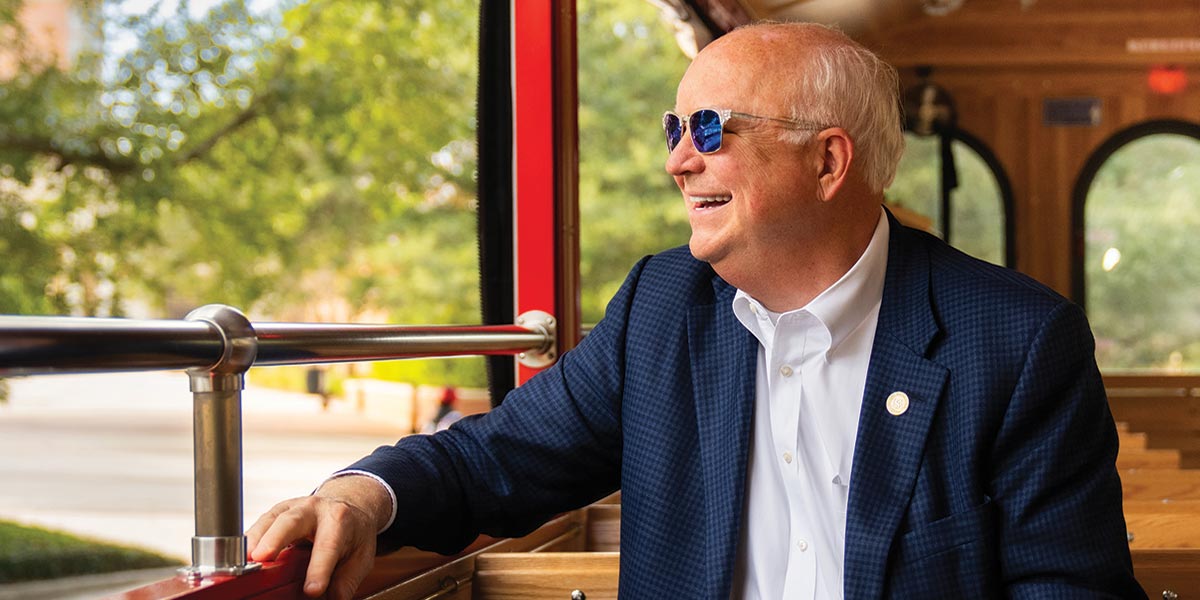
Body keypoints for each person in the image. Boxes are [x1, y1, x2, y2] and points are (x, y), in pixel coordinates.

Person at [247, 22, 1144, 599]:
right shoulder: (661, 307)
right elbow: (499, 457)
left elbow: (1068, 590)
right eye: (673, 131)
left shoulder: (1017, 340)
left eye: (710, 129)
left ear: (829, 163)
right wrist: (362, 495)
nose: (678, 162)